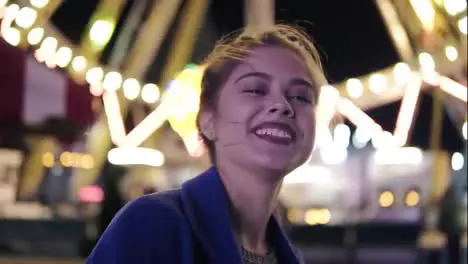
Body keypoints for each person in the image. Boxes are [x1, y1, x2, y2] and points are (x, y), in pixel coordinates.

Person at [86, 24, 327, 264]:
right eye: (255, 89)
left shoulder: (288, 256)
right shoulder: (151, 225)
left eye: (300, 96)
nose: (282, 105)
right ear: (208, 120)